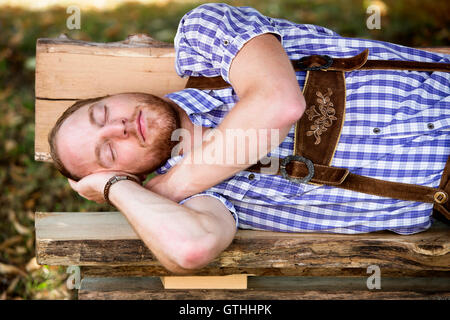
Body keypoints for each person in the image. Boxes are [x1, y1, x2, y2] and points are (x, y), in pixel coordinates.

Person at [49, 3, 450, 273]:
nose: (115, 127)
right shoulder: (202, 203)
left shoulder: (204, 37)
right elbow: (192, 248)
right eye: (108, 152)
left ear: (113, 95)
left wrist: (168, 187)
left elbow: (278, 104)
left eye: (102, 113)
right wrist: (115, 188)